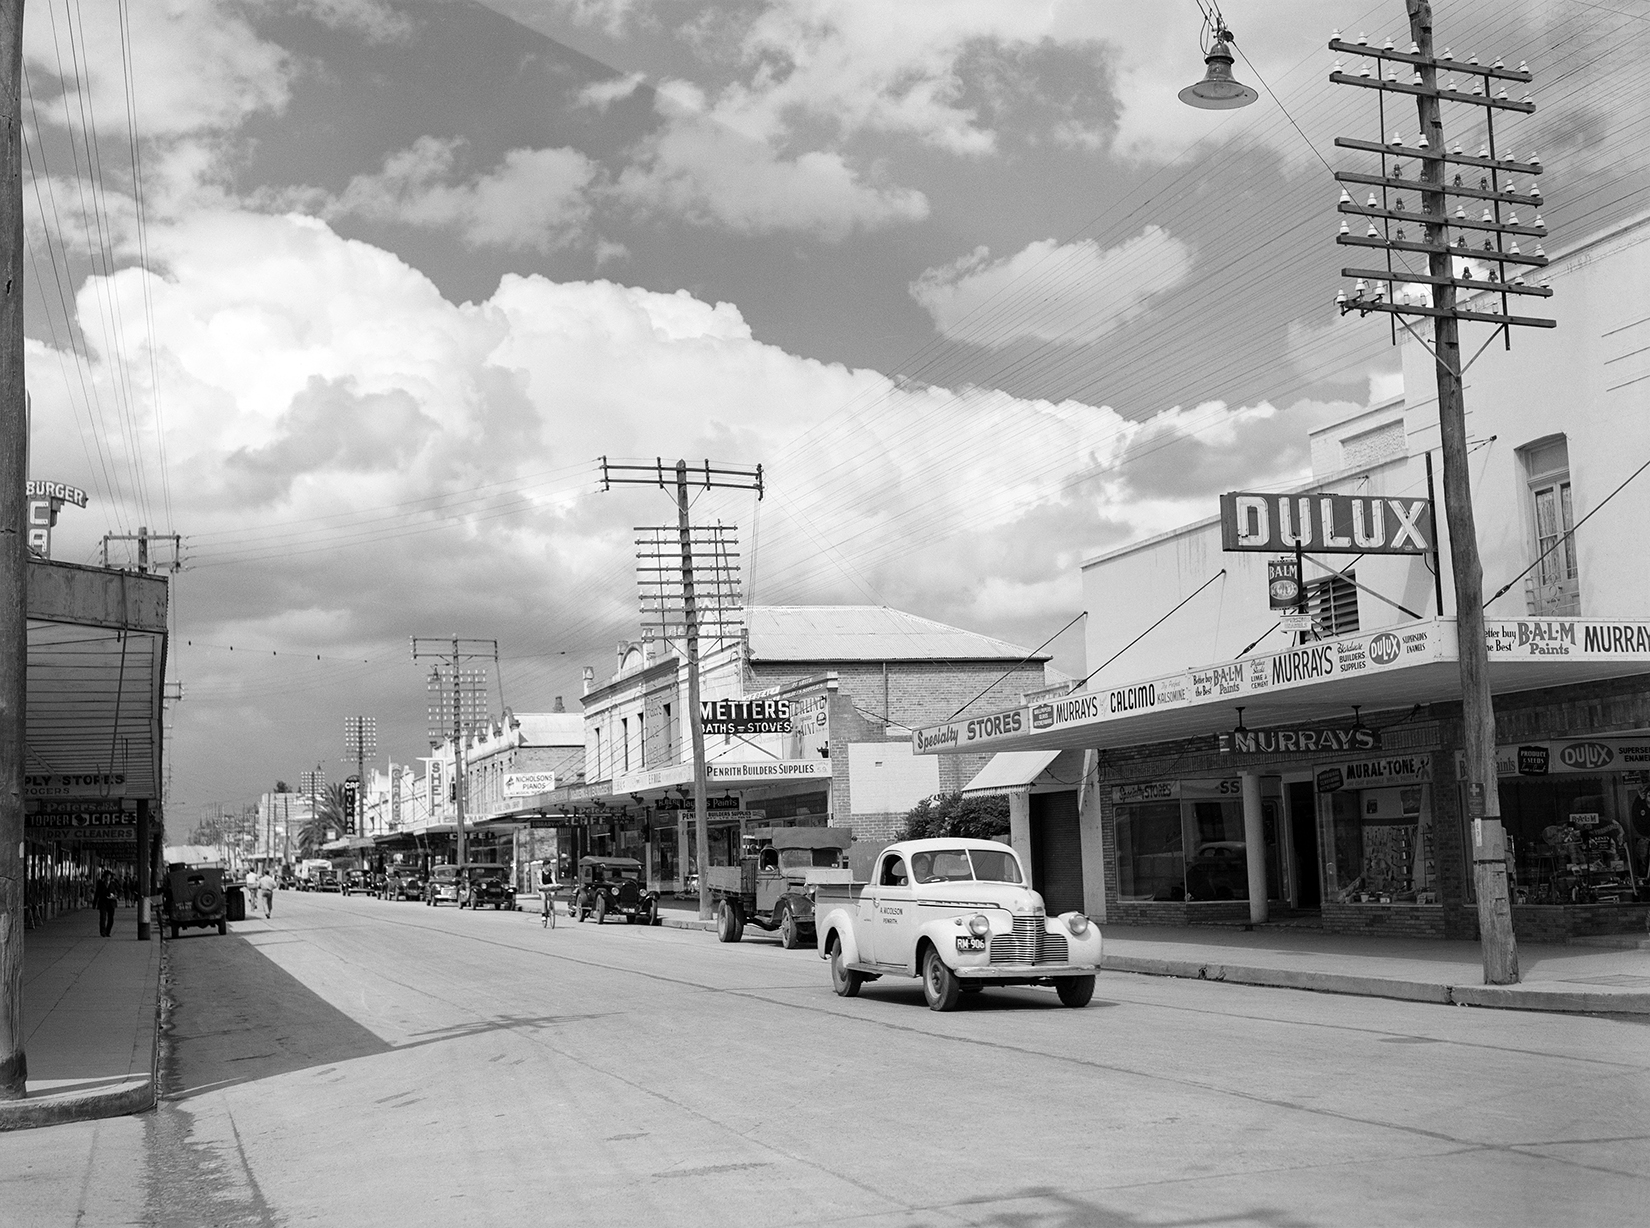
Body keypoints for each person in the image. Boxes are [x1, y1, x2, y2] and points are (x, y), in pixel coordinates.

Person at [94, 869, 118, 938]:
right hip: (103, 902)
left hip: (111, 902)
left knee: (111, 918)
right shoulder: (101, 884)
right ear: (104, 876)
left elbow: (120, 891)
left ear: (110, 876)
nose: (108, 877)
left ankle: (108, 931)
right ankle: (102, 932)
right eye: (106, 876)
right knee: (103, 918)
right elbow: (97, 893)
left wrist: (116, 896)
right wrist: (95, 903)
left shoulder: (113, 884)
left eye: (109, 876)